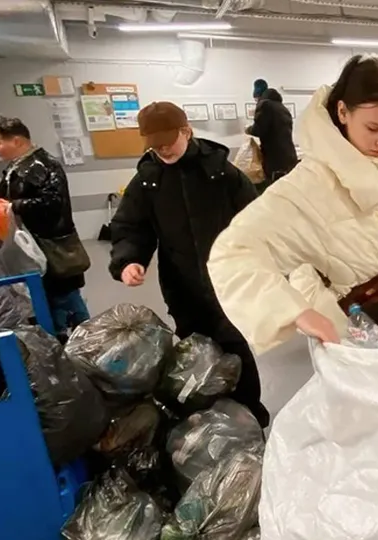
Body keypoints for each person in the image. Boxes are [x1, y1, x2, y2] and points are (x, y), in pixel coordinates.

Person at [207, 54, 378, 355]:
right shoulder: (308, 185)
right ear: (343, 111)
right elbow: (234, 252)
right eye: (373, 128)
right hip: (345, 341)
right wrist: (293, 311)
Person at [107, 102, 269, 427]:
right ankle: (209, 413)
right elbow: (129, 227)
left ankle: (250, 410)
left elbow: (256, 218)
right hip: (181, 284)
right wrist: (129, 260)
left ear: (186, 130)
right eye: (155, 145)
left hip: (226, 279)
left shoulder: (221, 172)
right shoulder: (147, 181)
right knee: (195, 348)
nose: (164, 150)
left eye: (169, 141)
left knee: (234, 344)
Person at [0, 116, 90, 338]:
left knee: (65, 297)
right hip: (31, 246)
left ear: (16, 141)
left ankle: (85, 342)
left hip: (52, 247)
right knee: (50, 298)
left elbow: (53, 203)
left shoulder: (44, 165)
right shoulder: (16, 167)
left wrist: (14, 206)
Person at [247, 85, 299, 192]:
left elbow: (258, 129)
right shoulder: (282, 108)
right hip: (289, 156)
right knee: (290, 190)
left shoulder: (264, 105)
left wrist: (248, 129)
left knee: (276, 191)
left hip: (275, 159)